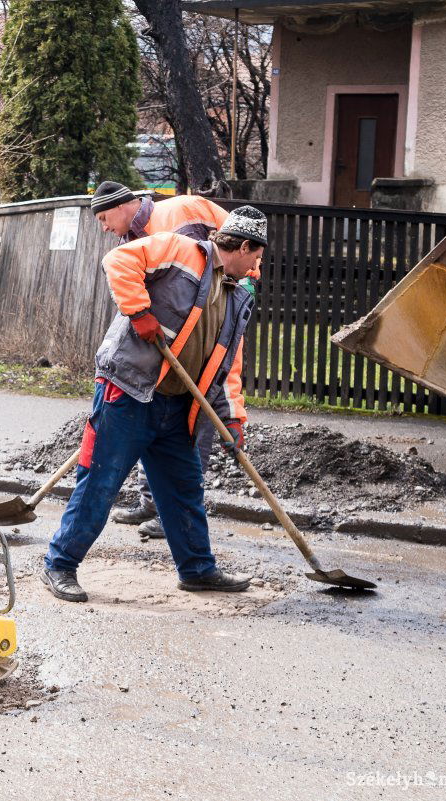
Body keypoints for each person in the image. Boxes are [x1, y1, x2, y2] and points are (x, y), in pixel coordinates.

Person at [41, 206, 269, 602]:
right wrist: (139, 311)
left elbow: (228, 364)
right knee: (100, 483)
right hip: (129, 391)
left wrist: (232, 419)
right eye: (257, 257)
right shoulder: (181, 250)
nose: (257, 267)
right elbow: (119, 260)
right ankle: (60, 565)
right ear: (244, 245)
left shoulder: (237, 295)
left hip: (180, 406)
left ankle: (197, 569)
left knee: (183, 489)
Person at [89, 181, 241, 541]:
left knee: (191, 419)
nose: (104, 227)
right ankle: (151, 502)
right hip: (171, 342)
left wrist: (232, 414)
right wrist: (141, 314)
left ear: (124, 205)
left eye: (104, 217)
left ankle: (171, 511)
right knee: (155, 414)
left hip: (216, 315)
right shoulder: (136, 235)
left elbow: (200, 284)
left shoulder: (175, 218)